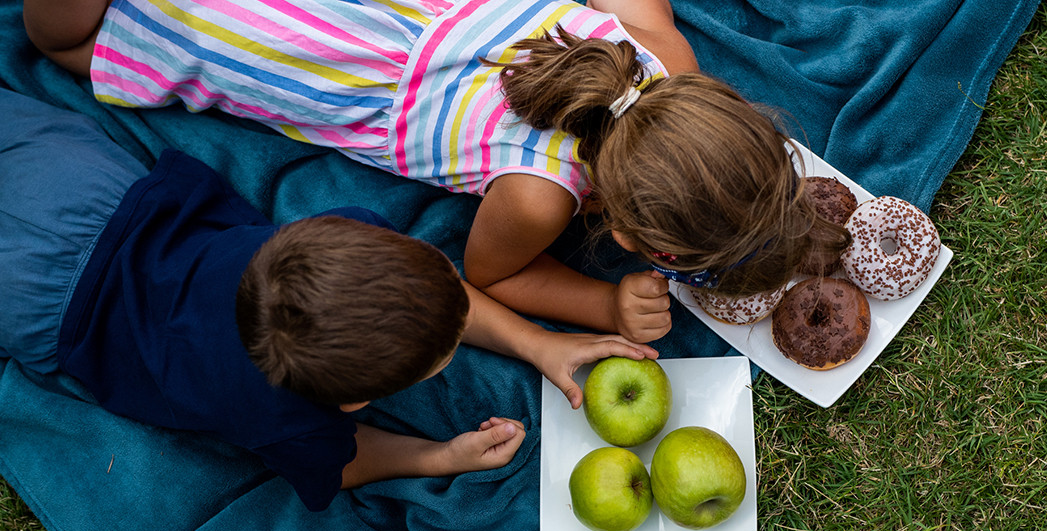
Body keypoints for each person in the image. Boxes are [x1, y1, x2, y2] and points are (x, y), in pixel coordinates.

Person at [23, 0, 851, 344]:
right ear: (629, 237)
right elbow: (488, 275)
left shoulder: (664, 57)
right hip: (328, 63)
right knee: (68, 44)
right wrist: (599, 301)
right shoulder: (535, 198)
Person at [0, 87, 656, 512]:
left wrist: (538, 342)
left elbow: (430, 294)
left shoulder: (347, 238)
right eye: (447, 345)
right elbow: (345, 462)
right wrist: (437, 456)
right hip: (48, 300)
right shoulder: (284, 419)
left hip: (80, 189)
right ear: (349, 404)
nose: (461, 317)